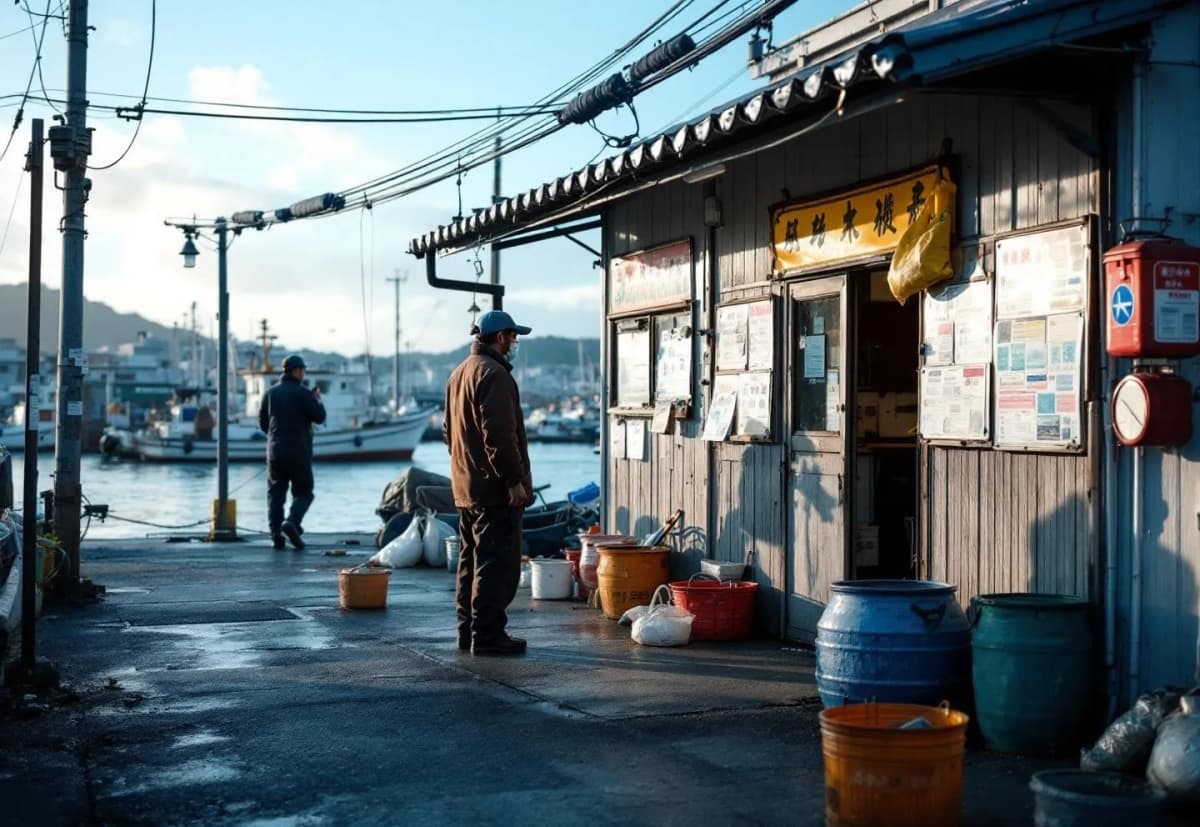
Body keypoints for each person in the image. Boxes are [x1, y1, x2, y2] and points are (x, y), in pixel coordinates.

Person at [443, 310, 534, 656]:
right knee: (495, 562)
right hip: (494, 489)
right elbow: (499, 435)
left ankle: (468, 631)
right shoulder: (495, 375)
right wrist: (513, 481)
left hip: (465, 488)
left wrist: (467, 468)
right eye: (513, 337)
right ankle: (489, 635)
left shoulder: (457, 374)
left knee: (470, 561)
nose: (514, 344)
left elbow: (448, 434)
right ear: (500, 338)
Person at [259, 354, 326, 550]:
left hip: (275, 453)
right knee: (304, 493)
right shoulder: (304, 394)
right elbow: (320, 417)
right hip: (299, 453)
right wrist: (317, 400)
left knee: (275, 495)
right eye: (303, 370)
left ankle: (276, 536)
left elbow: (263, 424)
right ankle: (292, 522)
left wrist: (276, 440)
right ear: (296, 371)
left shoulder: (269, 394)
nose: (303, 374)